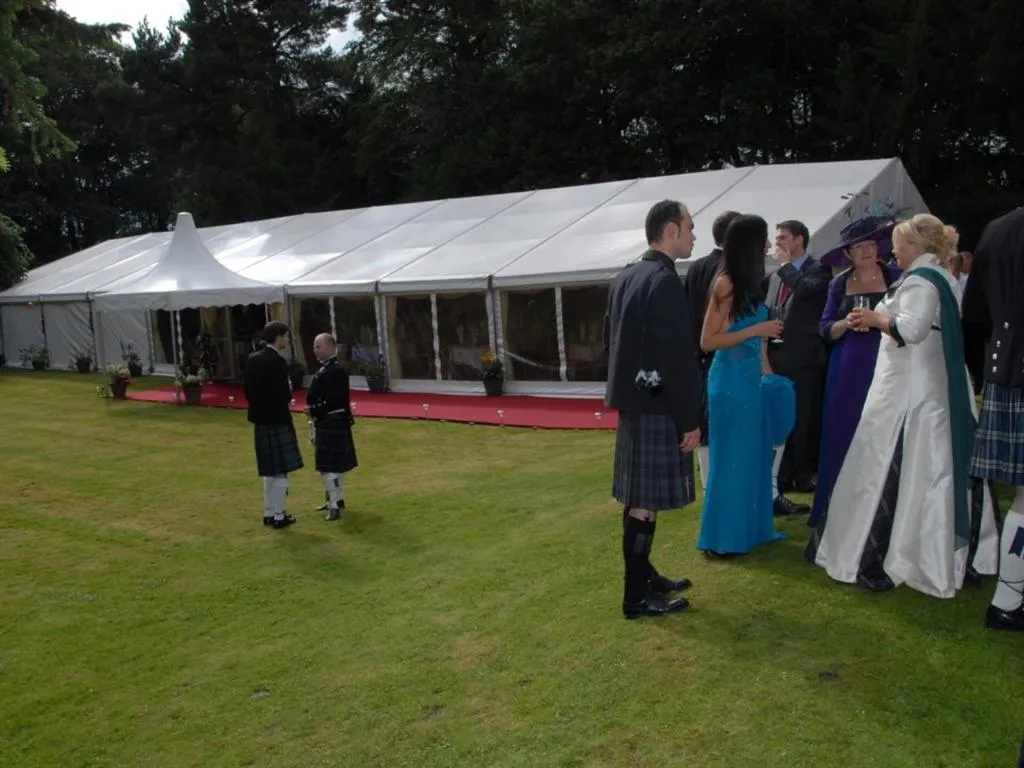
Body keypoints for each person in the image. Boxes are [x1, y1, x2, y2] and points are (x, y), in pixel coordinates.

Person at [806, 213, 999, 598]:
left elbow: (911, 330)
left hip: (911, 390)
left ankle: (890, 552)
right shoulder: (938, 276)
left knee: (892, 465)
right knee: (926, 467)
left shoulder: (922, 282)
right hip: (922, 383)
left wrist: (876, 317)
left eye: (897, 243)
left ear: (916, 245)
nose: (891, 251)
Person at [604, 199, 703, 619]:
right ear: (671, 231)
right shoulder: (664, 282)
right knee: (644, 503)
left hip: (635, 403)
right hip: (658, 405)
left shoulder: (625, 276)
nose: (694, 235)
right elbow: (678, 359)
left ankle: (645, 577)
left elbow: (610, 343)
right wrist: (690, 420)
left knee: (637, 499)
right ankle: (636, 599)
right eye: (690, 227)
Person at [696, 214, 788, 556]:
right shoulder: (725, 284)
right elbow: (708, 340)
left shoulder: (751, 284)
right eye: (764, 239)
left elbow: (759, 346)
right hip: (729, 382)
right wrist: (756, 330)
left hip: (750, 381)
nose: (769, 245)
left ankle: (749, 529)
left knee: (752, 456)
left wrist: (769, 378)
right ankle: (723, 539)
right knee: (730, 459)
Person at [808, 217, 902, 527]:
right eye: (859, 246)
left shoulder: (897, 278)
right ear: (847, 253)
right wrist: (846, 323)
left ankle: (885, 508)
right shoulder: (838, 284)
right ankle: (837, 509)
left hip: (889, 362)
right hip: (848, 366)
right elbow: (825, 329)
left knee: (884, 431)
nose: (866, 251)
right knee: (843, 431)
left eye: (871, 244)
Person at [963, 206, 1024, 630]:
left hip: (1004, 370)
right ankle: (1008, 599)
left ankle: (1009, 596)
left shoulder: (997, 229)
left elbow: (975, 312)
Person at [764, 220, 832, 515]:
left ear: (800, 240)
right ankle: (781, 476)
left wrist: (785, 266)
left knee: (803, 417)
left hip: (805, 357)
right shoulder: (776, 277)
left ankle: (802, 474)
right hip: (778, 356)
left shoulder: (819, 270)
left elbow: (804, 291)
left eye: (783, 238)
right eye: (776, 238)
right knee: (782, 418)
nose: (777, 243)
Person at [684, 210, 741, 490]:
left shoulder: (696, 267)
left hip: (699, 358)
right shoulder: (732, 272)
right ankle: (722, 485)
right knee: (726, 425)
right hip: (726, 356)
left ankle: (709, 485)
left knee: (707, 424)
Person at [245, 321, 304, 529]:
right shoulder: (277, 362)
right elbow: (283, 394)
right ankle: (279, 516)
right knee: (280, 470)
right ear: (278, 338)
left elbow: (247, 391)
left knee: (269, 471)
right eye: (286, 336)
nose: (287, 340)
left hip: (260, 419)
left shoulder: (252, 359)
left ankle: (268, 513)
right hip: (277, 419)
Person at [306, 333, 358, 521]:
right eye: (314, 346)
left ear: (330, 348)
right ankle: (335, 499)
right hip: (330, 421)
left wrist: (313, 409)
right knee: (332, 465)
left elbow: (334, 401)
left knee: (329, 466)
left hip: (332, 421)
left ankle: (334, 505)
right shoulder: (329, 369)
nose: (315, 350)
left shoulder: (335, 371)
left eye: (318, 347)